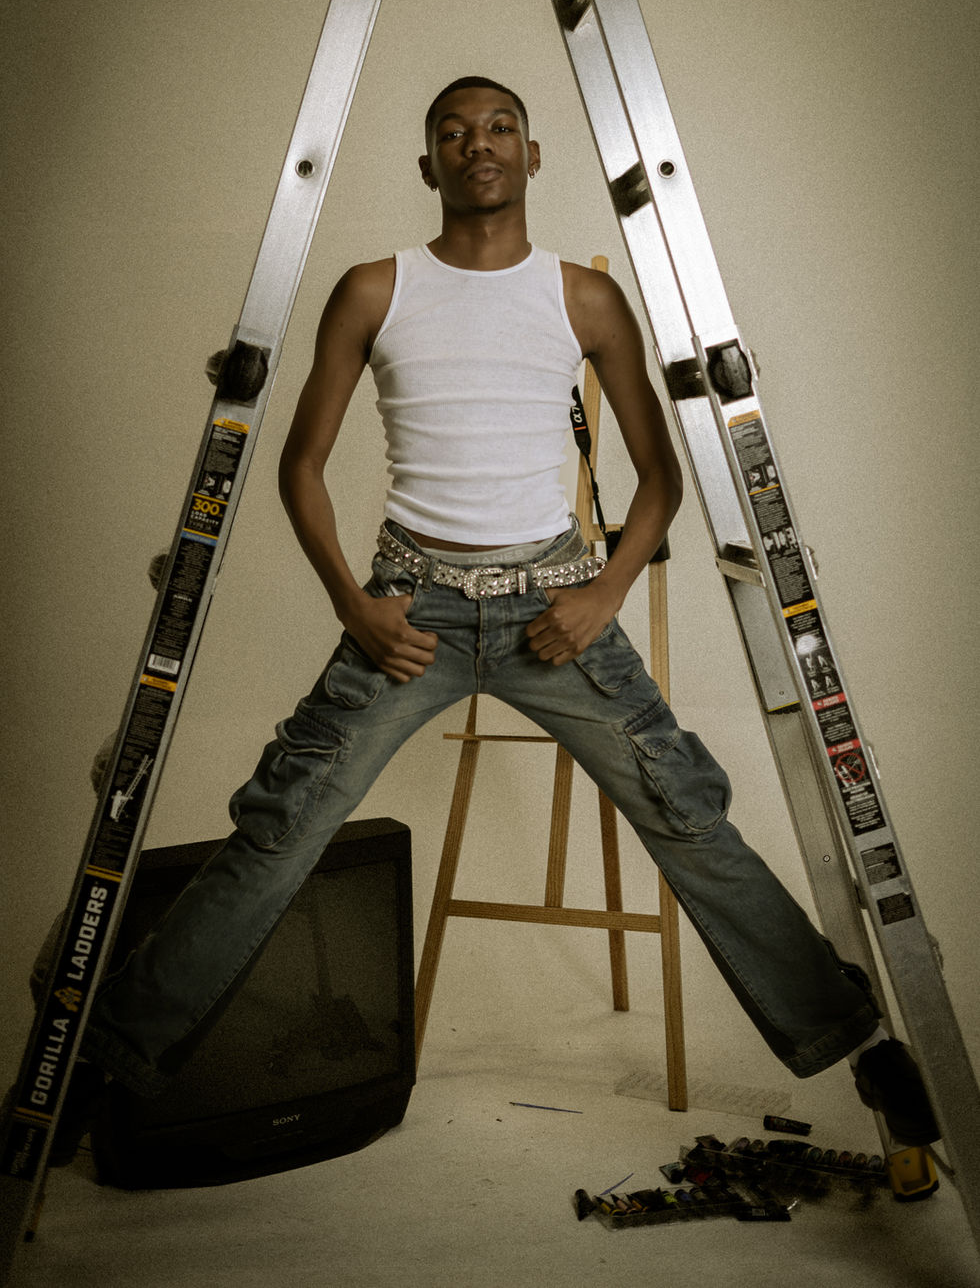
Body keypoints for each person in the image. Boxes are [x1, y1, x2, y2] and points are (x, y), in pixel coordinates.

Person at [59, 76, 937, 1157]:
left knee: (688, 815)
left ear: (533, 155)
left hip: (549, 613)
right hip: (408, 614)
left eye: (500, 130)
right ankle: (94, 1073)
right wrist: (354, 607)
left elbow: (659, 477)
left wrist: (601, 594)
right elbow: (300, 468)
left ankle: (860, 1048)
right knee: (278, 829)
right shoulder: (373, 289)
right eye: (452, 134)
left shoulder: (583, 300)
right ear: (427, 164)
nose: (478, 146)